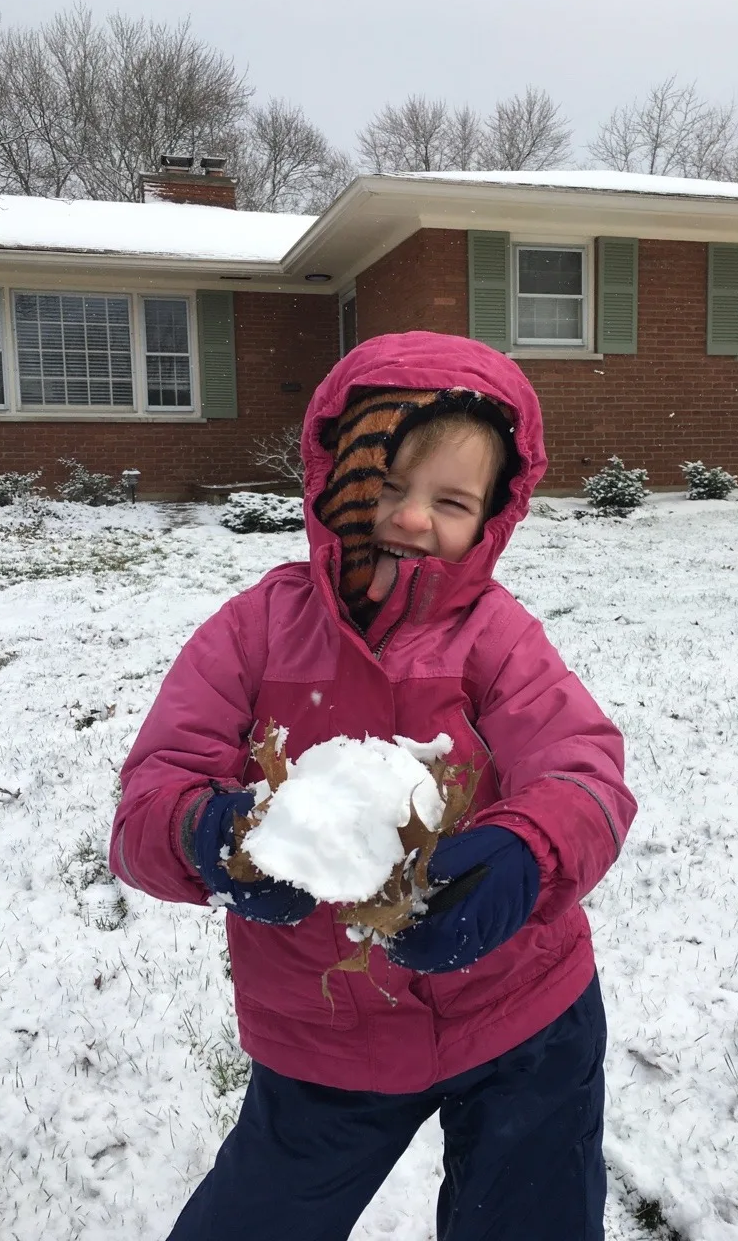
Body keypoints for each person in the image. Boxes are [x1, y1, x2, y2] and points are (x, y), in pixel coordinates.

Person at [110, 330, 638, 1241]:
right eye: (387, 484)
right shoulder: (254, 634)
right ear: (337, 477)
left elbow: (582, 768)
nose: (411, 517)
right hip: (324, 1037)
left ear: (492, 517)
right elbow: (150, 797)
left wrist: (526, 853)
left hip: (523, 1016)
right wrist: (212, 836)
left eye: (450, 500)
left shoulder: (496, 639)